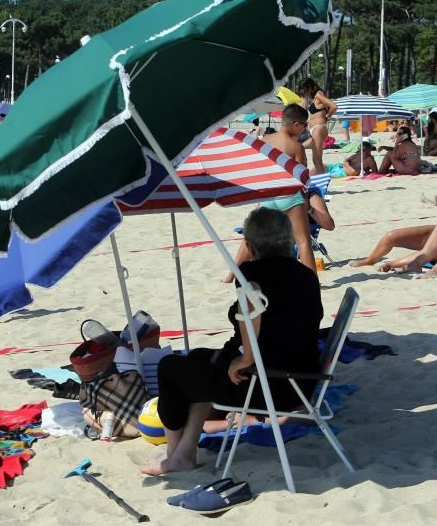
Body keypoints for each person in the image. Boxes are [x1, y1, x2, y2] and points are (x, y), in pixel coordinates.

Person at [140, 208, 323, 476]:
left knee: (169, 367)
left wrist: (245, 358)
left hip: (266, 385)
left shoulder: (251, 273)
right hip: (301, 380)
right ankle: (185, 451)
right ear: (290, 240)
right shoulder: (306, 275)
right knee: (198, 358)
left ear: (248, 245)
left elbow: (252, 311)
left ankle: (175, 454)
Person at [261, 104, 316, 270]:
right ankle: (311, 282)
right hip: (289, 194)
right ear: (296, 125)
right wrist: (306, 199)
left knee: (258, 240)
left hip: (268, 195)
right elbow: (302, 177)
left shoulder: (264, 141)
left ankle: (231, 275)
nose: (305, 129)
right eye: (305, 125)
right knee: (303, 241)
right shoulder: (295, 146)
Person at [298, 78, 337, 176]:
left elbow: (333, 106)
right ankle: (316, 177)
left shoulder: (319, 95)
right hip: (314, 129)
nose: (304, 93)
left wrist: (327, 117)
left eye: (305, 90)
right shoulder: (314, 98)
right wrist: (305, 98)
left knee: (317, 159)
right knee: (299, 147)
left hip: (319, 128)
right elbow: (304, 108)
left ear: (310, 87)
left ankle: (321, 183)